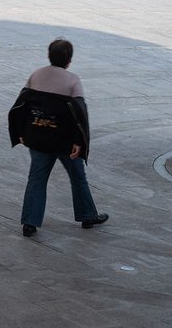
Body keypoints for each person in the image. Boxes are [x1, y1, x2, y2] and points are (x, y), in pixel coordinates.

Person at [9, 37, 108, 236]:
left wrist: (20, 133)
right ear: (69, 60)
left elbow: (22, 105)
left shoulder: (36, 75)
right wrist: (79, 143)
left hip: (38, 137)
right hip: (64, 141)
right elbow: (80, 115)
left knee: (36, 179)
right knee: (78, 178)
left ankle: (30, 222)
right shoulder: (72, 80)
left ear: (49, 55)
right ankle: (87, 216)